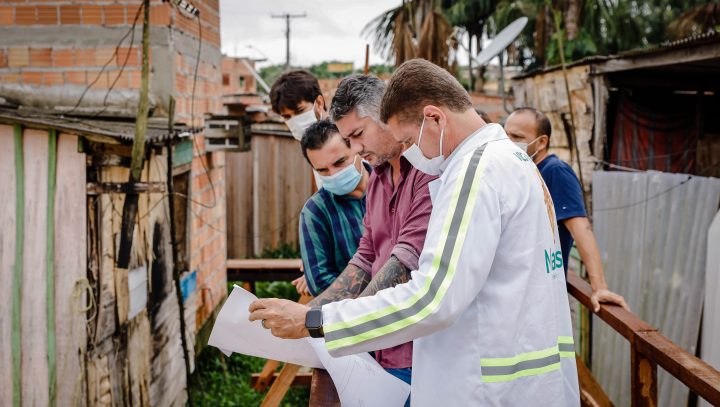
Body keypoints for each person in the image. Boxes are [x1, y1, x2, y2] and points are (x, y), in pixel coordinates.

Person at [249, 59, 579, 406]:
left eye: (408, 139)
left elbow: (431, 298)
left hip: (489, 385)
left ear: (434, 117)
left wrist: (316, 320)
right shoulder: (510, 158)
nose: (412, 151)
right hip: (517, 376)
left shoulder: (475, 172)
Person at [307, 74, 436, 389]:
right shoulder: (377, 176)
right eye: (348, 140)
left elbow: (405, 263)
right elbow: (366, 256)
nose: (356, 148)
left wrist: (328, 321)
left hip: (421, 352)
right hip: (377, 347)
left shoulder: (429, 172)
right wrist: (311, 313)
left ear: (386, 115)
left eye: (358, 134)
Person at [504, 107, 629, 312]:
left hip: (540, 297)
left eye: (516, 136)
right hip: (519, 292)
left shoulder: (555, 172)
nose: (508, 141)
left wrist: (599, 287)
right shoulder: (524, 170)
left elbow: (581, 228)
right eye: (505, 134)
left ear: (542, 142)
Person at [294, 120, 371, 297]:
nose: (334, 174)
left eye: (340, 162)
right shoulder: (315, 212)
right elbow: (319, 282)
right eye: (322, 170)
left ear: (356, 148)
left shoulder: (393, 185)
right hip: (356, 317)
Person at [269, 69, 327, 189]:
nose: (295, 120)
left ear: (319, 103)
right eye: (287, 116)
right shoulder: (315, 143)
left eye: (300, 111)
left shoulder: (349, 138)